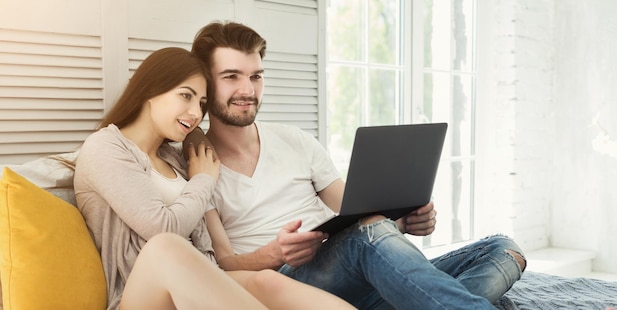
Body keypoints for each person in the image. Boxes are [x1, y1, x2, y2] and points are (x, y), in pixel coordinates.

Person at [186, 21, 528, 309]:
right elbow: (223, 264)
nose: (248, 89)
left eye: (256, 76)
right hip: (289, 283)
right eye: (231, 76)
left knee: (501, 249)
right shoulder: (198, 165)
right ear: (204, 82)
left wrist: (404, 221)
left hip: (354, 269)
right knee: (370, 232)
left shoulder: (295, 140)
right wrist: (275, 253)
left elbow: (353, 208)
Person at [74, 47, 355, 310]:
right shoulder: (106, 147)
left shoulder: (177, 158)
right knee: (164, 246)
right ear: (150, 90)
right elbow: (162, 228)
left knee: (266, 281)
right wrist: (204, 180)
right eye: (185, 96)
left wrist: (195, 146)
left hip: (198, 283)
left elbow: (212, 248)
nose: (196, 113)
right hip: (141, 295)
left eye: (202, 102)